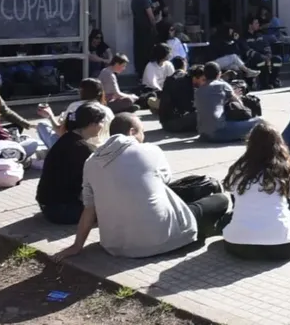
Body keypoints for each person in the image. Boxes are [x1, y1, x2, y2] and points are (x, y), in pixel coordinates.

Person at [54, 113, 231, 259]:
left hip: (115, 246)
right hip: (163, 239)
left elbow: (89, 208)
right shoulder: (149, 150)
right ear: (132, 132)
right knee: (221, 199)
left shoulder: (91, 162)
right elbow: (166, 181)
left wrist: (77, 245)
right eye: (142, 132)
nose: (144, 137)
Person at [219, 121, 290, 261]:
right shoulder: (288, 168)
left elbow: (236, 205)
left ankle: (247, 234)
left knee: (229, 218)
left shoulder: (238, 168)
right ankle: (276, 232)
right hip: (281, 248)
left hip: (236, 245)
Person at [36, 103, 109, 225]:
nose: (102, 126)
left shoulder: (67, 139)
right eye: (101, 122)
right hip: (62, 210)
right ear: (92, 124)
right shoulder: (82, 148)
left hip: (49, 205)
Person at [36, 78, 115, 150]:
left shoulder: (75, 107)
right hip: (101, 150)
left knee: (42, 125)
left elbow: (61, 133)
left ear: (81, 91)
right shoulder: (108, 111)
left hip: (78, 150)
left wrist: (50, 116)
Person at [194, 61, 262, 143]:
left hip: (203, 134)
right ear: (219, 74)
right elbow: (241, 106)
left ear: (204, 75)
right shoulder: (223, 85)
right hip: (218, 132)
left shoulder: (198, 91)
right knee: (260, 122)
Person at [159, 60, 199, 133]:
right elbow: (186, 106)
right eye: (203, 79)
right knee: (202, 114)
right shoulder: (185, 84)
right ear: (195, 78)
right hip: (172, 123)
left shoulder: (177, 78)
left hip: (166, 121)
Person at [241, 15, 281, 89]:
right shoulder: (244, 37)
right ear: (250, 25)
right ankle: (264, 84)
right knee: (262, 62)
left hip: (265, 57)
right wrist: (263, 57)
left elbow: (267, 46)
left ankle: (272, 82)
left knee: (277, 59)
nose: (258, 25)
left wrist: (268, 56)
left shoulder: (260, 35)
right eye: (256, 23)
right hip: (252, 60)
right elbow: (248, 51)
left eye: (258, 23)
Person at [130, 0, 157, 76]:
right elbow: (151, 16)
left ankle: (140, 74)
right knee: (148, 53)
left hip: (138, 29)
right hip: (147, 30)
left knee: (140, 52)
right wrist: (155, 26)